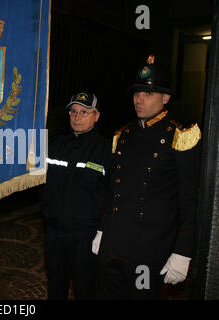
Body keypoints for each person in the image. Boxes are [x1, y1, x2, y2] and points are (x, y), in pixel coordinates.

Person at [93, 55, 202, 299]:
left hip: (149, 251)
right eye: (136, 93)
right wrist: (102, 230)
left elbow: (189, 200)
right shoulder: (124, 133)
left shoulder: (179, 135)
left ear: (165, 98)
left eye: (148, 93)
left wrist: (183, 252)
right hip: (113, 245)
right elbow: (111, 190)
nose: (139, 99)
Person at [42, 92, 112, 299]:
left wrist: (103, 230)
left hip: (85, 237)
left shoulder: (106, 150)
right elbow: (33, 176)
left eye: (84, 112)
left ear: (96, 116)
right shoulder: (55, 144)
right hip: (54, 234)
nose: (77, 117)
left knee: (85, 290)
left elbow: (112, 194)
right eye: (73, 112)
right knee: (55, 289)